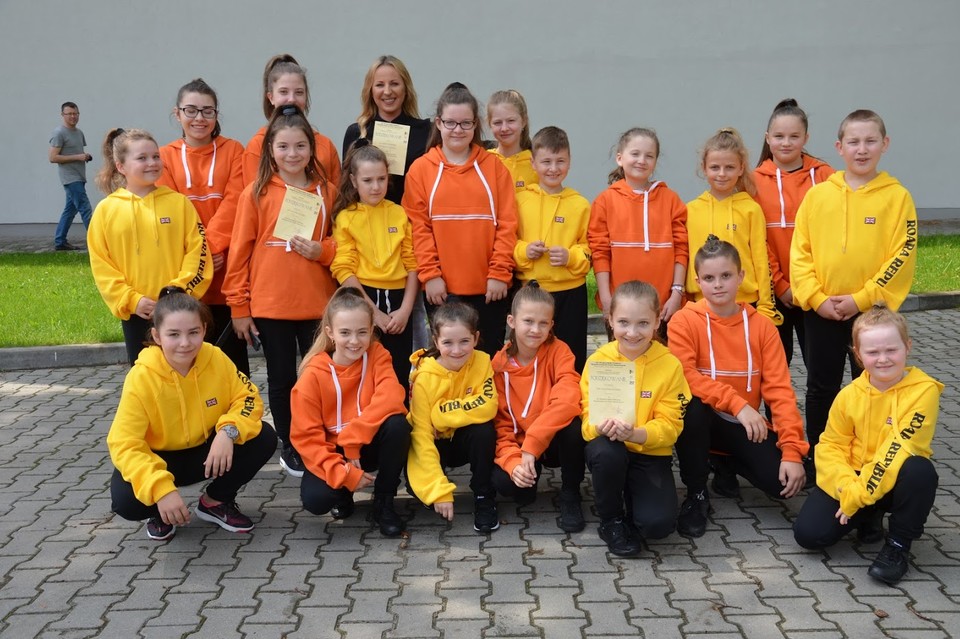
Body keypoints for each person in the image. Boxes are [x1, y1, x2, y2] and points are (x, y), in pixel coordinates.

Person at [791, 109, 917, 462]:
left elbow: (902, 253)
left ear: (884, 144)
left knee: (875, 386)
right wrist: (816, 298)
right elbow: (800, 252)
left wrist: (862, 299)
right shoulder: (818, 196)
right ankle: (822, 460)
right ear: (839, 147)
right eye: (854, 142)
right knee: (821, 388)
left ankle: (872, 458)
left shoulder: (897, 197)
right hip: (823, 311)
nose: (862, 149)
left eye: (870, 141)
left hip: (873, 315)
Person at [107, 287, 278, 541]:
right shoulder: (141, 377)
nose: (185, 343)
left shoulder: (216, 358)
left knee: (264, 437)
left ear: (204, 331)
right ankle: (162, 512)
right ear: (157, 336)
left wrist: (228, 431)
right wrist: (160, 489)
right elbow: (124, 443)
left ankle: (215, 501)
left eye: (193, 332)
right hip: (161, 457)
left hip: (207, 451)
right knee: (125, 501)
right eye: (173, 334)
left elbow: (248, 398)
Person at [224, 105, 337, 480]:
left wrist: (323, 251)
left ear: (312, 149)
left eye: (300, 146)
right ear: (270, 150)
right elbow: (239, 252)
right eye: (284, 146)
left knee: (319, 376)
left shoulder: (328, 192)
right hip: (271, 306)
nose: (292, 154)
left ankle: (321, 439)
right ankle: (291, 444)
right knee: (282, 378)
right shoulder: (255, 193)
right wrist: (239, 307)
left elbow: (345, 243)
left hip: (318, 305)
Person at [669, 236, 807, 539]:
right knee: (690, 405)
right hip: (704, 420)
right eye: (709, 278)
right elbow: (685, 376)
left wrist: (792, 452)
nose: (718, 284)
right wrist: (738, 403)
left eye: (726, 275)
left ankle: (725, 462)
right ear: (697, 281)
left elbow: (781, 392)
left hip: (742, 424)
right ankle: (696, 493)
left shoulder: (762, 327)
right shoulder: (683, 321)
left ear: (741, 276)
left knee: (785, 483)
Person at [793, 305, 942, 586]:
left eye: (891, 350)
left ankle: (898, 545)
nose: (883, 359)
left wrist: (858, 496)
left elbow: (898, 448)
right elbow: (830, 446)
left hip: (895, 476)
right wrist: (846, 486)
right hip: (855, 478)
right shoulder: (849, 395)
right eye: (873, 352)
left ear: (908, 347)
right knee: (809, 535)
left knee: (920, 471)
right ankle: (868, 516)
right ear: (858, 355)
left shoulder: (925, 392)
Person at [402, 82, 518, 356]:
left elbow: (508, 224)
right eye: (451, 123)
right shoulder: (420, 170)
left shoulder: (495, 168)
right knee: (449, 360)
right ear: (438, 123)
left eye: (466, 123)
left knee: (487, 361)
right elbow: (418, 229)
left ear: (475, 124)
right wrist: (430, 276)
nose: (458, 130)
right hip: (442, 289)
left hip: (490, 288)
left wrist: (499, 273)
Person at [291, 287, 411, 537]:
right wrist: (343, 474)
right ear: (330, 333)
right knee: (316, 500)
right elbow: (307, 438)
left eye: (362, 332)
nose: (354, 341)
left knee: (398, 425)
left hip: (366, 443)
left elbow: (392, 397)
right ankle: (343, 493)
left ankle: (384, 501)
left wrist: (353, 438)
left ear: (371, 330)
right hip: (333, 451)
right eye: (345, 333)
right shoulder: (312, 376)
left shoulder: (378, 355)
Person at [581, 281, 689, 556]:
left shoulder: (670, 365)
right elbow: (585, 421)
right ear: (610, 321)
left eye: (642, 323)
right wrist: (598, 427)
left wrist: (636, 434)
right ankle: (611, 520)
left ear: (657, 322)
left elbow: (671, 426)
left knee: (657, 526)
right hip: (610, 448)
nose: (632, 332)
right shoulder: (598, 361)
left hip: (649, 451)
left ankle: (634, 495)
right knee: (606, 453)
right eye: (623, 322)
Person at [88, 128, 211, 365]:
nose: (152, 163)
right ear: (121, 166)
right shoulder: (106, 211)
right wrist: (131, 300)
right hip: (138, 313)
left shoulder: (179, 203)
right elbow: (101, 265)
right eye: (142, 158)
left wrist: (178, 292)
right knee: (146, 374)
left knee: (186, 373)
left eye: (156, 156)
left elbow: (198, 252)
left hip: (180, 310)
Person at [158, 78, 249, 374]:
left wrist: (208, 251)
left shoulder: (234, 151)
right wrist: (199, 259)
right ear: (177, 114)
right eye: (191, 110)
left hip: (226, 274)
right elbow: (169, 212)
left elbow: (235, 204)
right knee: (187, 366)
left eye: (207, 111)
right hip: (185, 278)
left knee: (231, 367)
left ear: (216, 115)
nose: (199, 118)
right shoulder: (164, 157)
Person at [491, 282, 585, 532]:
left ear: (552, 324)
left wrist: (533, 444)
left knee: (574, 427)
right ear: (511, 321)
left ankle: (571, 493)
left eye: (543, 323)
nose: (535, 329)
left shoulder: (560, 352)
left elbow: (568, 399)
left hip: (551, 441)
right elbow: (500, 424)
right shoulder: (497, 366)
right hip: (520, 445)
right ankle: (528, 474)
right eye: (528, 321)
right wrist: (513, 463)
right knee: (510, 487)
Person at [331, 142, 418, 392]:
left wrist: (405, 310)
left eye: (381, 179)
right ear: (353, 180)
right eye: (367, 180)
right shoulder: (346, 218)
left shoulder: (399, 213)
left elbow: (412, 263)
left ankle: (398, 413)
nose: (376, 187)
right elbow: (344, 269)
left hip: (399, 299)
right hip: (363, 296)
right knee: (364, 367)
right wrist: (374, 313)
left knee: (399, 367)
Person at [753, 99, 834, 366]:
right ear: (768, 138)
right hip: (774, 291)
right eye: (779, 136)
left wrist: (809, 285)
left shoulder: (825, 176)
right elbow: (756, 242)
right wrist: (780, 285)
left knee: (820, 366)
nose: (786, 143)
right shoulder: (752, 182)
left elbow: (833, 235)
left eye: (794, 136)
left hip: (817, 289)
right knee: (774, 366)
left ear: (806, 138)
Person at [406, 301, 500, 533]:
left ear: (475, 338)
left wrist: (440, 414)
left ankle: (483, 495)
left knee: (484, 430)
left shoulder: (482, 361)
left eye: (464, 341)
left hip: (463, 441)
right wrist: (438, 491)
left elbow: (489, 405)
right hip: (435, 445)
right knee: (421, 492)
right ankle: (434, 482)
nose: (457, 350)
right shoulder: (424, 378)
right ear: (436, 341)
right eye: (448, 342)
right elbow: (421, 435)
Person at [589, 128, 688, 335]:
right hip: (620, 308)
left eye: (649, 156)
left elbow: (681, 249)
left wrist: (676, 294)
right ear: (620, 158)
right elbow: (600, 253)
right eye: (635, 154)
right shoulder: (604, 201)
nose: (642, 160)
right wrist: (607, 299)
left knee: (663, 356)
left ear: (655, 162)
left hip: (663, 308)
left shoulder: (671, 200)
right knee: (622, 357)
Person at [684, 128, 781, 327]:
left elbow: (762, 261)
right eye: (715, 167)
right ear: (704, 168)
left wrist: (766, 306)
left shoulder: (751, 209)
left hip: (745, 303)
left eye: (729, 167)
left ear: (741, 168)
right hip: (701, 305)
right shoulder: (690, 211)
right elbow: (685, 259)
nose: (722, 174)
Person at [513, 126, 591, 371]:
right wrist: (524, 251)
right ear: (533, 163)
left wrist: (571, 256)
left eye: (560, 161)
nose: (553, 168)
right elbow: (508, 242)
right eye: (546, 162)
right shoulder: (520, 201)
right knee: (532, 353)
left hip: (571, 292)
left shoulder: (580, 204)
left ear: (569, 162)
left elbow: (589, 249)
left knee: (571, 355)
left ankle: (570, 394)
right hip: (532, 291)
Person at [341, 55, 431, 205]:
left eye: (394, 84)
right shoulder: (356, 132)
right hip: (367, 217)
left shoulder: (426, 132)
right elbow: (346, 189)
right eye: (380, 85)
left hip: (412, 216)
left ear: (406, 88)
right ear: (370, 91)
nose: (387, 91)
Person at [242, 54, 340, 188]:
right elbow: (253, 196)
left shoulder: (325, 145)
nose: (292, 99)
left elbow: (336, 197)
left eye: (299, 92)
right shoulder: (257, 145)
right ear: (270, 97)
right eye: (283, 92)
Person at [49, 101, 93, 250]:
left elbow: (76, 153)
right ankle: (97, 243)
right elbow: (53, 157)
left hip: (79, 176)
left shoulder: (79, 133)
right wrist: (78, 157)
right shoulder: (59, 133)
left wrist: (84, 156)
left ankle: (60, 241)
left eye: (75, 113)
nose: (73, 116)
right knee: (85, 208)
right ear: (63, 115)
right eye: (69, 114)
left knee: (70, 210)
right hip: (70, 178)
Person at [486, 89, 538, 190]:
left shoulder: (536, 164)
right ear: (489, 124)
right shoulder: (483, 161)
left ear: (523, 121)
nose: (504, 128)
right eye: (497, 122)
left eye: (511, 121)